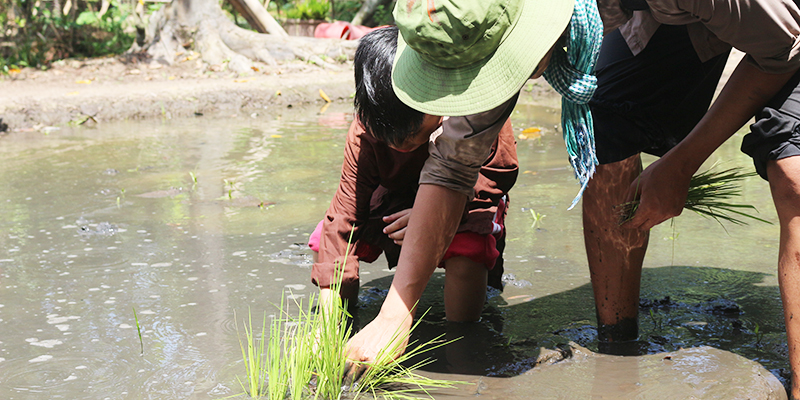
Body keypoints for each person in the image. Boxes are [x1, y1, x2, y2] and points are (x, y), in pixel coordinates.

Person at [345, 0, 800, 397]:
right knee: (607, 114)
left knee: (791, 173)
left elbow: (783, 44)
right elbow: (451, 167)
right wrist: (394, 314)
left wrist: (682, 164)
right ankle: (618, 343)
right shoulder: (487, 23)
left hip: (783, 28)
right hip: (693, 14)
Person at [309, 26, 519, 323]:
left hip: (464, 201)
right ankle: (340, 322)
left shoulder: (472, 111)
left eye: (411, 136)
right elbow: (344, 213)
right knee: (326, 239)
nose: (400, 146)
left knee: (469, 248)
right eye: (389, 138)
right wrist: (324, 329)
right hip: (394, 202)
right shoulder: (365, 130)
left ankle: (463, 338)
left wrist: (430, 217)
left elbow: (498, 173)